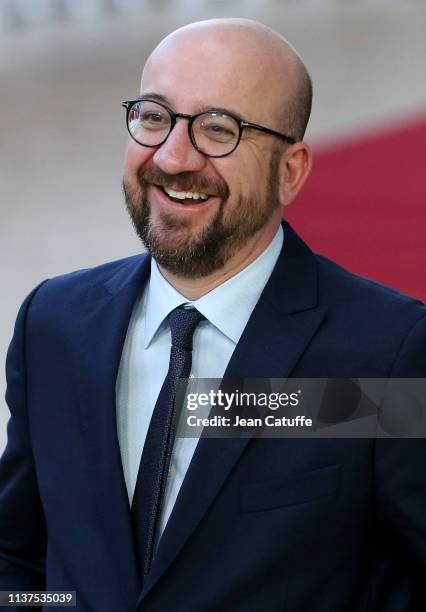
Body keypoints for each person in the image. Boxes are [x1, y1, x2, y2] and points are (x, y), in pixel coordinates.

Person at [1, 17, 425, 612]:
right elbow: (19, 554)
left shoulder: (385, 352)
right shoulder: (54, 323)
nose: (173, 158)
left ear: (291, 171)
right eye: (154, 116)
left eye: (218, 129)